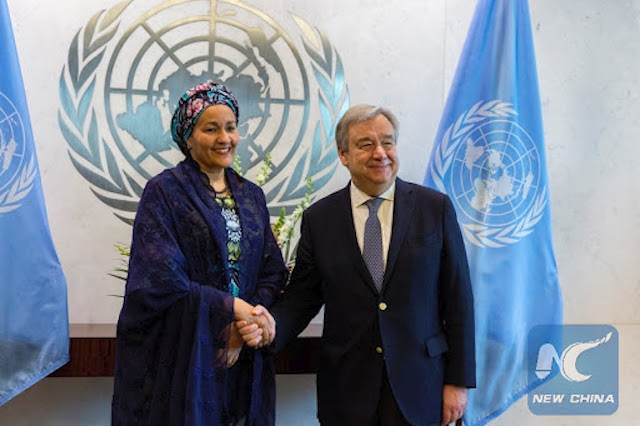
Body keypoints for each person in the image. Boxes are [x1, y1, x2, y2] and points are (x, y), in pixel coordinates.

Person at [238, 104, 476, 425]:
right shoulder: (320, 219)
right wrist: (265, 329)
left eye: (388, 142)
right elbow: (303, 297)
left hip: (422, 385)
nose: (381, 153)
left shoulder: (434, 208)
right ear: (343, 155)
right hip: (347, 389)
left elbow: (459, 300)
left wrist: (458, 383)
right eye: (366, 144)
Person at [111, 81, 288, 425]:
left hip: (246, 356)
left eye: (231, 127)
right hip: (183, 357)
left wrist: (251, 322)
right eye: (211, 128)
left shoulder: (252, 196)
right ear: (188, 137)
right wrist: (231, 313)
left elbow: (273, 271)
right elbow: (160, 280)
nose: (225, 138)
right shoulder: (163, 192)